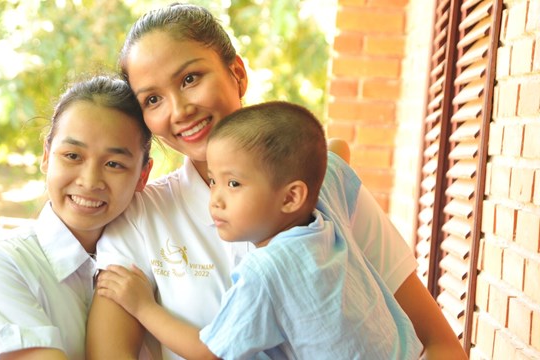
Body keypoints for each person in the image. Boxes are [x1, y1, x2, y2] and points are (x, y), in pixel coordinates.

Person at [88, 3, 466, 359]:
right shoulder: (141, 216)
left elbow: (440, 344)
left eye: (190, 78)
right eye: (152, 100)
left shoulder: (325, 185)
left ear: (237, 73)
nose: (180, 110)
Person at [98, 101, 423, 359]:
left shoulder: (265, 272)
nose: (216, 199)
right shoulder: (325, 220)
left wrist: (143, 306)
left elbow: (208, 352)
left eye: (234, 183)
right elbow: (338, 152)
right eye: (214, 180)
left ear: (292, 196)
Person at [0, 74, 153, 359]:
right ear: (46, 155)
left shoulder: (156, 263)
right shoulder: (3, 261)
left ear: (143, 175)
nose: (90, 182)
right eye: (72, 156)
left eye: (114, 164)